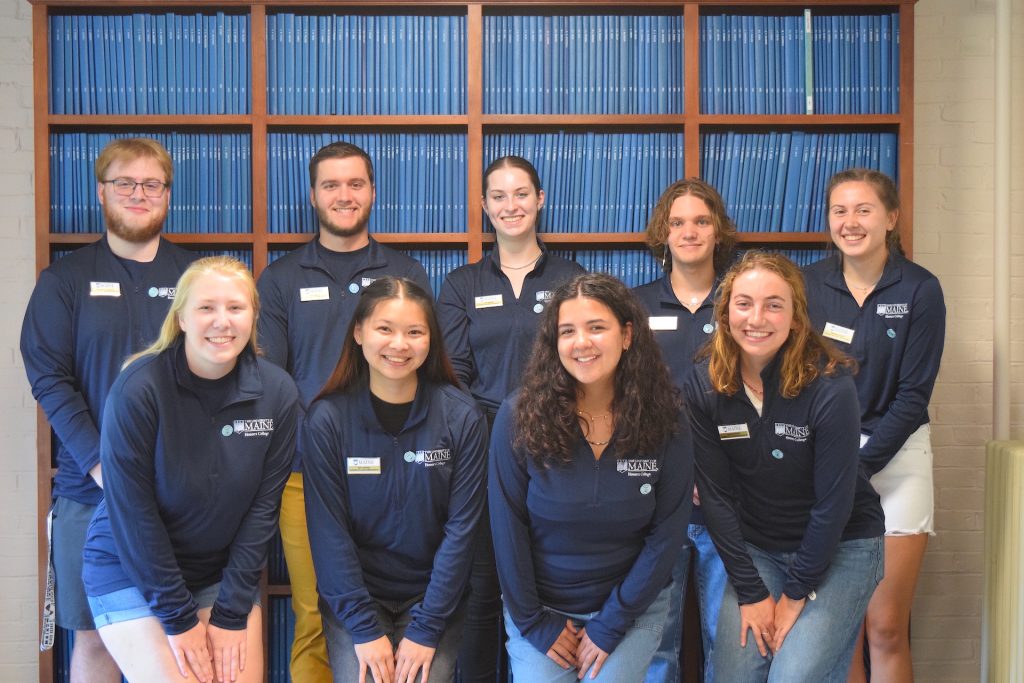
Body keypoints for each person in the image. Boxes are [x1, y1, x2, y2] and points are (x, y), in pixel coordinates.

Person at [21, 137, 196, 682]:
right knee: (96, 640)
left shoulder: (196, 279)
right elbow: (50, 379)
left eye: (151, 185)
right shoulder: (63, 281)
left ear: (167, 196)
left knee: (178, 639)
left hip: (182, 495)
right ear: (102, 191)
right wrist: (103, 466)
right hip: (88, 493)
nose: (138, 194)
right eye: (125, 183)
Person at [257, 141, 432, 683]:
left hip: (398, 471)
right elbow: (272, 383)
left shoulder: (403, 272)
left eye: (355, 183)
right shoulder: (281, 279)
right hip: (305, 475)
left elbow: (421, 366)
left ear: (373, 191)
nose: (344, 195)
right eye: (331, 185)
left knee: (399, 611)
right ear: (313, 195)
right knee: (315, 614)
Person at [80, 256, 300, 683]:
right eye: (206, 308)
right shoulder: (138, 388)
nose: (223, 321)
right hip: (131, 569)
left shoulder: (278, 392)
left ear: (253, 315)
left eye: (236, 308)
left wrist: (232, 612)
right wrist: (179, 621)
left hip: (216, 576)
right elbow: (135, 517)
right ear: (180, 317)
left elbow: (261, 512)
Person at [685, 251, 885, 681]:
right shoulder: (703, 384)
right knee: (734, 675)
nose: (756, 318)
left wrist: (794, 596)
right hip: (758, 548)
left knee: (790, 677)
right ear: (725, 313)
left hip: (842, 549)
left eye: (774, 304)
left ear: (795, 318)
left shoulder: (830, 386)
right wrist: (753, 593)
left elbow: (834, 506)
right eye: (743, 303)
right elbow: (716, 498)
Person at [489, 273, 693, 683]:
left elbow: (667, 533)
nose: (581, 342)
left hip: (632, 608)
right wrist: (533, 622)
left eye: (596, 327)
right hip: (542, 610)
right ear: (554, 343)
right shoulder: (517, 417)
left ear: (627, 334)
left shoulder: (667, 419)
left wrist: (611, 622)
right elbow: (507, 528)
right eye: (568, 331)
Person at [437, 155, 584, 681]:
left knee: (548, 581)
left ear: (540, 200)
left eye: (521, 193)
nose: (510, 205)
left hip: (559, 450)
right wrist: (497, 428)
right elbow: (452, 375)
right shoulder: (460, 284)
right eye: (498, 196)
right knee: (480, 590)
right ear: (483, 207)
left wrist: (538, 421)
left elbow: (582, 362)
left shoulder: (572, 279)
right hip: (479, 454)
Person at [303, 277, 488, 683]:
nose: (399, 345)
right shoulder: (327, 420)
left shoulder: (462, 417)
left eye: (414, 332)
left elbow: (462, 531)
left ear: (431, 340)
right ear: (358, 333)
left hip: (434, 600)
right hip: (356, 600)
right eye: (384, 329)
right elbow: (329, 535)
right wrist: (364, 628)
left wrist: (427, 626)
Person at [803, 169, 946, 682]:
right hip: (824, 458)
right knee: (839, 632)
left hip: (898, 461)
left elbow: (913, 396)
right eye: (839, 210)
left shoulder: (920, 289)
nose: (851, 221)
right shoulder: (807, 286)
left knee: (885, 626)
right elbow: (795, 381)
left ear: (891, 218)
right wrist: (834, 470)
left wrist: (856, 470)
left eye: (864, 209)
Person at [634, 178, 736, 683]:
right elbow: (625, 401)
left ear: (718, 231)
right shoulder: (633, 307)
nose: (689, 232)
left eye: (701, 221)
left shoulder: (744, 302)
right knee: (656, 646)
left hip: (731, 500)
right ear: (663, 232)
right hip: (657, 500)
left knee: (731, 644)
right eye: (677, 223)